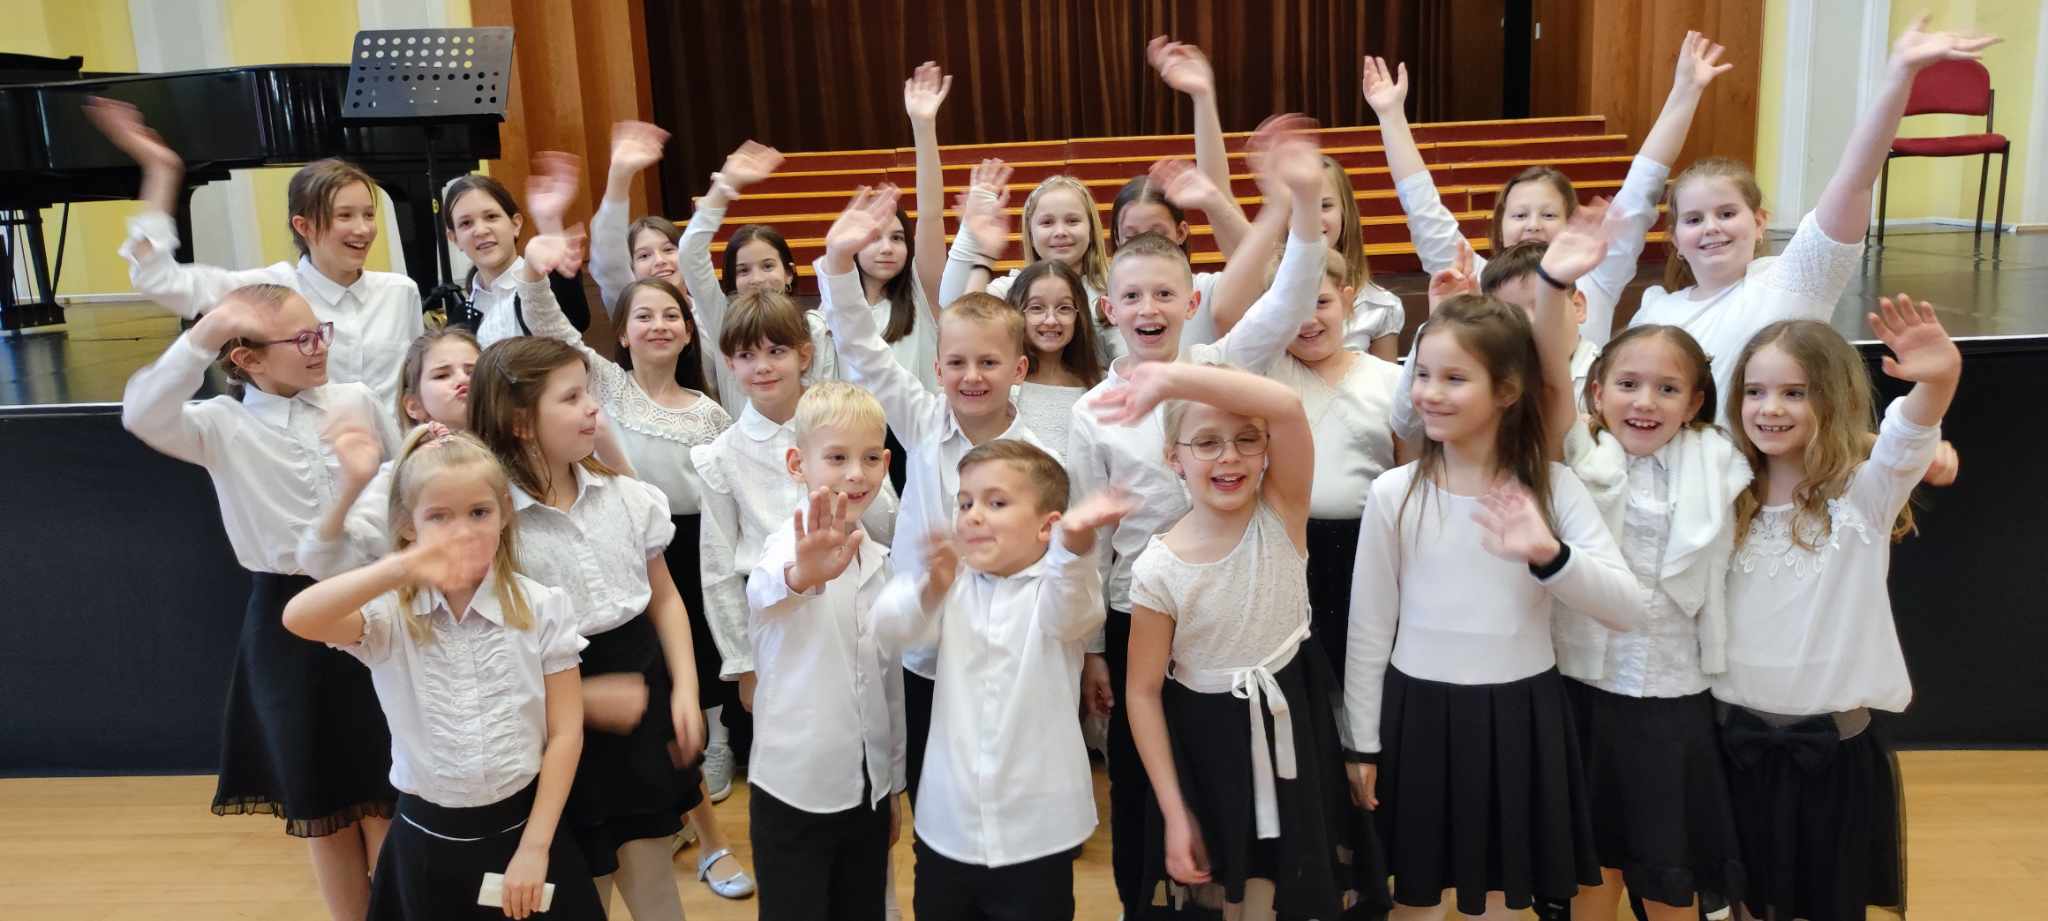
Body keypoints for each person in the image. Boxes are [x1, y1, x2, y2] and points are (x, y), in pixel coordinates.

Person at [120, 282, 398, 920]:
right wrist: (205, 333)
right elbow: (142, 413)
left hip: (374, 601)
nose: (318, 347)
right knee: (324, 809)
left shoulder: (354, 399)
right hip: (289, 620)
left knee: (389, 797)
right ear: (247, 358)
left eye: (320, 332)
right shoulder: (221, 424)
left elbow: (397, 480)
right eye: (301, 340)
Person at [281, 429, 605, 920]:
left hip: (524, 835)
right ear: (407, 525)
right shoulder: (389, 616)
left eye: (479, 512)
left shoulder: (542, 607)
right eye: (438, 516)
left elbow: (565, 733)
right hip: (425, 844)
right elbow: (299, 617)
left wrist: (536, 848)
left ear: (504, 512)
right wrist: (401, 568)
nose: (462, 532)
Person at [1715, 297, 1961, 921]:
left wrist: (1939, 380)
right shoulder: (1723, 490)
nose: (1770, 408)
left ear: (1832, 398)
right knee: (1745, 902)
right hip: (1732, 746)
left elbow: (1907, 440)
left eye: (1794, 393)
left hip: (1831, 751)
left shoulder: (1865, 493)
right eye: (1755, 392)